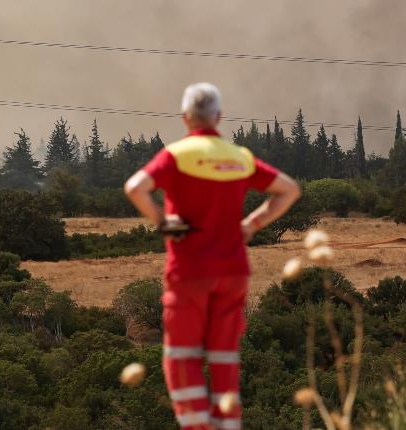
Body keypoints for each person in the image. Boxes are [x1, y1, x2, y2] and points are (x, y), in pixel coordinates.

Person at [124, 83, 301, 430]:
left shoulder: (176, 155)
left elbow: (135, 187)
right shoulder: (239, 157)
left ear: (185, 117)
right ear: (218, 117)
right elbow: (289, 190)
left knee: (181, 357)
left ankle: (197, 426)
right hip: (233, 271)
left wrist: (162, 221)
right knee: (225, 358)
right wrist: (251, 224)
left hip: (189, 271)